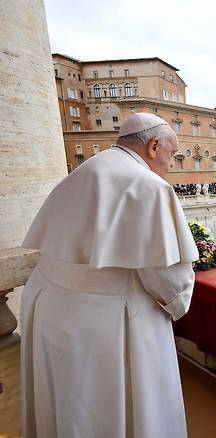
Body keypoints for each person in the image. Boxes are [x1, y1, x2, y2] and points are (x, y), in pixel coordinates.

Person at [20, 113, 198, 438]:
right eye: (172, 154)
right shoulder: (149, 186)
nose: (171, 164)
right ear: (154, 145)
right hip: (106, 327)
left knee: (68, 408)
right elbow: (167, 279)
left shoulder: (82, 172)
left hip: (52, 314)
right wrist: (180, 301)